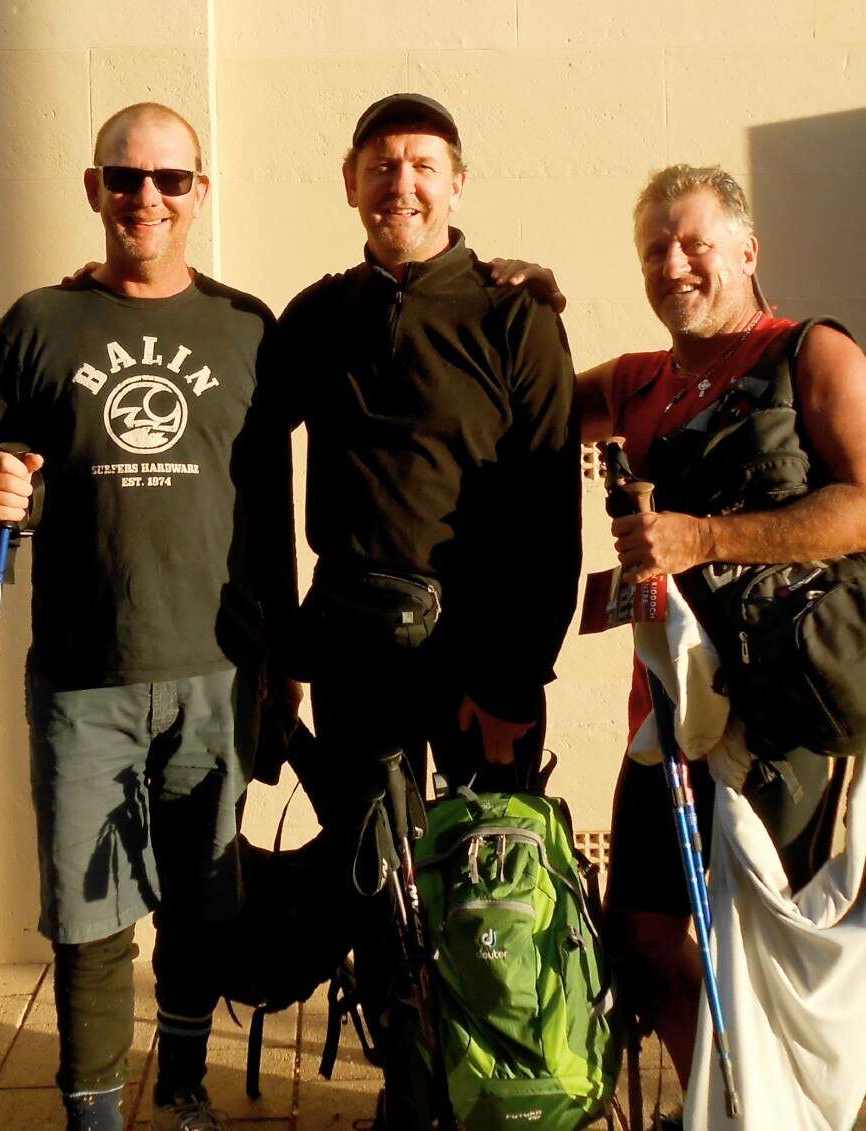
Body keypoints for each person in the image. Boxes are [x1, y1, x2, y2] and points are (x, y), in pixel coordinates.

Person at [0, 103, 298, 1131]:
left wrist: (285, 660)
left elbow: (267, 507)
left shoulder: (245, 327)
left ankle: (180, 1084)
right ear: (93, 187)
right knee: (87, 915)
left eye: (170, 180)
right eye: (126, 177)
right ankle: (93, 1116)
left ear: (199, 193)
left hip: (217, 668)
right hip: (84, 673)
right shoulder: (41, 325)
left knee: (205, 897)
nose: (148, 197)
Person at [263, 93, 581, 1126]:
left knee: (492, 884)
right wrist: (279, 646)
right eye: (381, 165)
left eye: (422, 166)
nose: (401, 183)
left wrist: (515, 678)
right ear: (350, 181)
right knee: (378, 887)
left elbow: (549, 506)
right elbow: (249, 465)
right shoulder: (316, 316)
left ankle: (502, 1082)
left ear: (455, 182)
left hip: (482, 651)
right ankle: (411, 1086)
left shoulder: (514, 312)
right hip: (355, 641)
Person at [574, 164, 866, 1090]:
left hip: (785, 706)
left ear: (747, 250)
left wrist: (702, 538)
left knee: (772, 942)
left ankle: (787, 1106)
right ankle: (723, 1107)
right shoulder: (639, 384)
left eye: (694, 243)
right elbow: (527, 403)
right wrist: (511, 297)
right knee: (643, 935)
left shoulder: (810, 353)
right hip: (670, 714)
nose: (673, 263)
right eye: (654, 249)